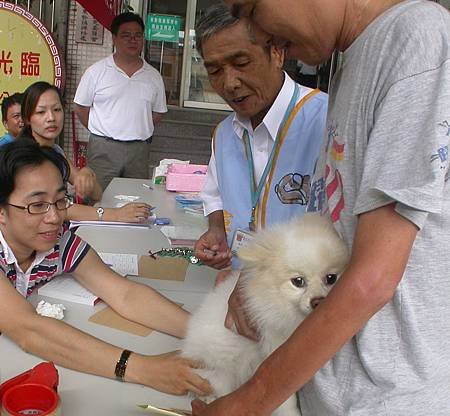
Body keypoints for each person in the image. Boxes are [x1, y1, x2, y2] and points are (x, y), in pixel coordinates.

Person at [191, 1, 450, 415]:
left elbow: (374, 278)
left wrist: (252, 400)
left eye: (253, 11)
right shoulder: (353, 62)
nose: (261, 34)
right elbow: (331, 224)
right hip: (328, 382)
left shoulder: (414, 38)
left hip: (385, 398)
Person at [0, 138, 211, 396]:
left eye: (59, 200)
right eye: (38, 205)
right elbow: (28, 328)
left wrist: (208, 336)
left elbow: (124, 294)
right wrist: (144, 369)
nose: (54, 217)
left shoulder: (59, 242)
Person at [193, 4, 327, 272]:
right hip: (241, 287)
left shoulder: (326, 120)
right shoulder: (223, 134)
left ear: (276, 52)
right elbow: (214, 194)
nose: (230, 83)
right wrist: (217, 231)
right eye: (215, 71)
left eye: (241, 63)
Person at [20, 81, 151, 224]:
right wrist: (116, 214)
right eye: (41, 112)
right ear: (27, 118)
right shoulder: (28, 158)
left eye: (57, 109)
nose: (51, 118)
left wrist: (88, 174)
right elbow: (56, 208)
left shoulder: (55, 152)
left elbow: (96, 193)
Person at [74, 12, 167, 190]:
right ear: (114, 38)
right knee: (97, 198)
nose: (133, 40)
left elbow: (157, 114)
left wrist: (135, 127)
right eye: (126, 35)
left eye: (137, 35)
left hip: (138, 151)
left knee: (136, 199)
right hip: (103, 148)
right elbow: (80, 108)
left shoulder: (153, 76)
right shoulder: (97, 71)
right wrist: (101, 128)